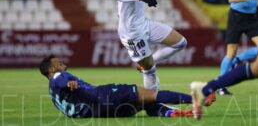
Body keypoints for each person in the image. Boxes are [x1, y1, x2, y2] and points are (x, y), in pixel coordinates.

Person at [39, 55, 215, 118]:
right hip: (103, 96)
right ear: (52, 68)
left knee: (144, 103)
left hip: (101, 113)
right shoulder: (57, 76)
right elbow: (60, 79)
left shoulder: (53, 94)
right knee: (152, 95)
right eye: (59, 62)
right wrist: (69, 82)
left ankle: (169, 112)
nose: (63, 63)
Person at [113, 0, 188, 91]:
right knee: (150, 71)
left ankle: (148, 62)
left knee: (181, 43)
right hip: (131, 32)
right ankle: (151, 102)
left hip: (144, 23)